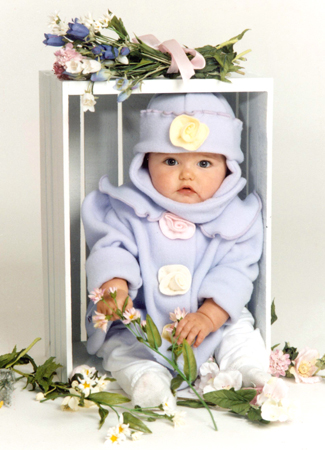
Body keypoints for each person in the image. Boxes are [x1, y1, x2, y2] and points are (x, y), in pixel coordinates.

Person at [82, 93, 271, 408]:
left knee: (238, 328)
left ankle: (249, 369)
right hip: (142, 316)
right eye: (171, 161)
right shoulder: (127, 207)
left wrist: (210, 315)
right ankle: (146, 379)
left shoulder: (237, 216)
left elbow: (237, 270)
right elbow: (111, 246)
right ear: (145, 162)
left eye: (204, 163)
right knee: (123, 345)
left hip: (211, 314)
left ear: (228, 169)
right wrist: (114, 283)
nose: (187, 174)